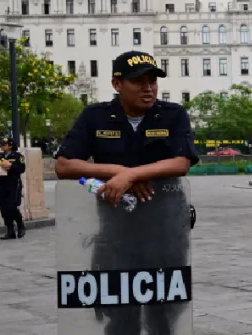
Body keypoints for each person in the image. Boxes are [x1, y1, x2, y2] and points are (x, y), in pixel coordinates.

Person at [55, 50, 200, 334]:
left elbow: (181, 162)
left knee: (163, 313)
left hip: (165, 230)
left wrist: (132, 174)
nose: (148, 88)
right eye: (138, 81)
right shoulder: (95, 117)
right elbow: (64, 165)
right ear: (117, 84)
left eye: (152, 81)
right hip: (116, 230)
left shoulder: (172, 115)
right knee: (120, 314)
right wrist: (116, 172)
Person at [0, 136, 26, 240]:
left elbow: (22, 169)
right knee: (3, 207)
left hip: (14, 183)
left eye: (4, 144)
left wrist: (10, 166)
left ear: (10, 145)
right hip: (3, 183)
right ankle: (10, 230)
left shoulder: (18, 156)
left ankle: (20, 224)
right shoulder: (0, 156)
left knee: (12, 206)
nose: (2, 146)